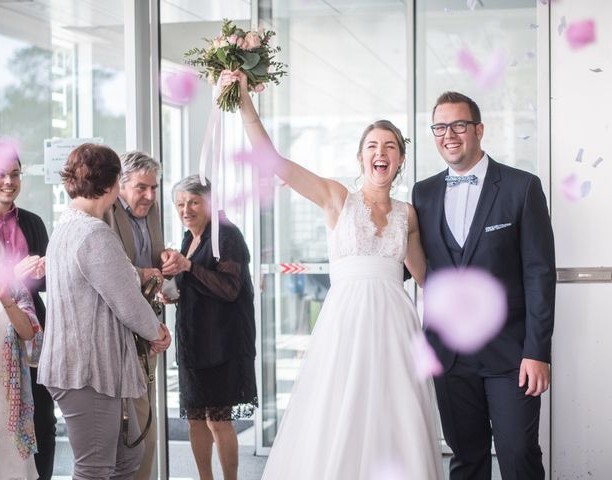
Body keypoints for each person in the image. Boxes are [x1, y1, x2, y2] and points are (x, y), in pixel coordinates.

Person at [224, 70, 443, 479]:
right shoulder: (336, 197)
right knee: (339, 408)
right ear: (361, 157)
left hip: (397, 326)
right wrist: (244, 103)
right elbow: (274, 163)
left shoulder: (407, 215)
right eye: (373, 146)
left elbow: (427, 276)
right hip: (346, 323)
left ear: (399, 161)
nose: (382, 152)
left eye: (391, 146)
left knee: (395, 414)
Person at [412, 91, 555, 480]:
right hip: (450, 355)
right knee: (466, 458)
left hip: (512, 356)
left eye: (459, 125)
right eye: (440, 127)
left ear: (479, 129)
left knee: (518, 454)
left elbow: (539, 274)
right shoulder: (422, 194)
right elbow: (414, 262)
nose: (449, 135)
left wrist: (538, 352)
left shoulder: (521, 187)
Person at [37, 143, 171, 479]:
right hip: (86, 369)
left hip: (93, 367)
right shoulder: (94, 233)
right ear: (113, 184)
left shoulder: (68, 225)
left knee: (129, 457)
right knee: (94, 467)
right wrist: (156, 333)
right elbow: (126, 300)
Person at [161, 175, 258, 480]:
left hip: (222, 345)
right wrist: (171, 291)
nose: (185, 209)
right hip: (194, 343)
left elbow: (230, 288)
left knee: (218, 420)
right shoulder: (189, 237)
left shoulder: (226, 235)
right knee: (194, 420)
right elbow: (194, 283)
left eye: (193, 202)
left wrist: (188, 267)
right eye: (180, 204)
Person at [0, 147, 56, 480]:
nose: (9, 182)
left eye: (15, 174)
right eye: (0, 174)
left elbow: (48, 281)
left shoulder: (33, 222)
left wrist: (35, 273)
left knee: (41, 418)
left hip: (28, 330)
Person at [104, 151, 165, 480]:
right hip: (120, 330)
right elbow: (113, 273)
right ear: (121, 185)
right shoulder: (107, 215)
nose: (150, 196)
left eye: (153, 188)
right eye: (142, 187)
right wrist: (141, 274)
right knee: (132, 427)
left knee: (146, 420)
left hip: (148, 328)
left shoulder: (152, 212)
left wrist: (165, 263)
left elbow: (154, 262)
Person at [0, 212, 42, 479]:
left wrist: (6, 300)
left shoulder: (11, 284)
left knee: (9, 468)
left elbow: (30, 334)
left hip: (8, 399)